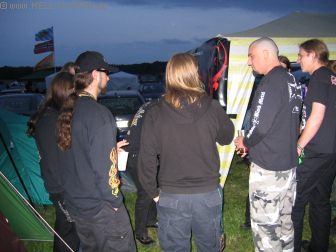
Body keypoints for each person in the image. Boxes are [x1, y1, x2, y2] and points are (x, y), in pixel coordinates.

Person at [138, 53, 234, 251]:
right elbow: (226, 137)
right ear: (195, 73)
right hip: (207, 194)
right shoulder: (212, 106)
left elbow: (146, 158)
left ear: (169, 75)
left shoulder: (155, 112)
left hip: (172, 196)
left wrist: (153, 193)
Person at [57, 51, 136, 252]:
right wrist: (115, 201)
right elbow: (104, 172)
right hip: (100, 208)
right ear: (95, 74)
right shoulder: (99, 114)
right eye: (106, 72)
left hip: (77, 205)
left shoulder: (68, 109)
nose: (109, 77)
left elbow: (77, 153)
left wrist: (109, 148)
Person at [234, 37, 302, 252]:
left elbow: (259, 125)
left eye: (251, 56)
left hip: (269, 169)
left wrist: (245, 141)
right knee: (284, 223)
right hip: (288, 165)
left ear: (266, 54)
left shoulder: (270, 82)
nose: (248, 62)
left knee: (266, 230)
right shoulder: (291, 79)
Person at [27, 72, 80, 252]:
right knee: (68, 232)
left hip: (61, 184)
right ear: (67, 93)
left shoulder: (51, 114)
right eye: (75, 92)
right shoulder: (50, 120)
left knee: (66, 228)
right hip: (61, 186)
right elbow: (54, 160)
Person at [291, 39, 336, 252]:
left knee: (295, 201)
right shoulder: (332, 77)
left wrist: (299, 146)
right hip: (331, 151)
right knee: (320, 200)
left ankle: (293, 247)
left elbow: (316, 116)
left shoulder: (318, 78)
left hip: (316, 150)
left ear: (313, 55)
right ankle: (319, 247)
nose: (298, 60)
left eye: (301, 55)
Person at [124, 101, 158, 245]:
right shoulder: (159, 108)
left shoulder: (150, 105)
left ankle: (150, 220)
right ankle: (140, 233)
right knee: (145, 193)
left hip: (134, 154)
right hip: (138, 156)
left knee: (150, 189)